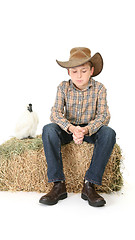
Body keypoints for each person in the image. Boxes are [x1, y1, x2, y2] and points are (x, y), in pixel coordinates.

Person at [39, 47, 116, 207]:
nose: (79, 75)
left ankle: (90, 184)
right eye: (74, 72)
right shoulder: (63, 87)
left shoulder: (100, 88)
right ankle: (58, 184)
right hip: (69, 130)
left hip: (90, 130)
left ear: (91, 71)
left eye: (83, 70)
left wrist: (86, 129)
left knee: (109, 133)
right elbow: (56, 113)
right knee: (49, 129)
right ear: (68, 72)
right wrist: (72, 128)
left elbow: (103, 116)